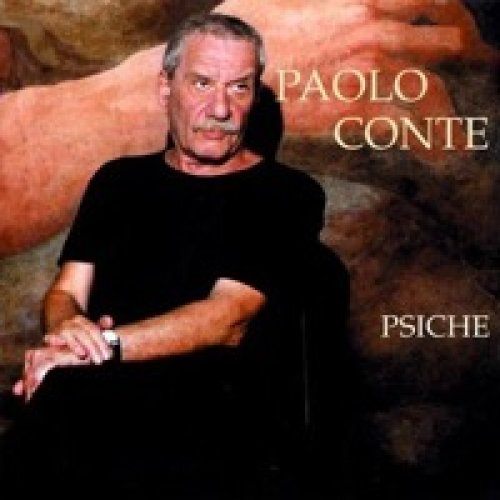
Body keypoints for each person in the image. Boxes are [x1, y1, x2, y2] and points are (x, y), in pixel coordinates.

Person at [0, 13, 328, 498]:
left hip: (211, 425)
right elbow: (67, 292)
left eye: (239, 88)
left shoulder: (286, 194)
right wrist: (68, 331)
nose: (221, 108)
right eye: (202, 83)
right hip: (95, 401)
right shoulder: (117, 182)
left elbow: (227, 319)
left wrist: (97, 350)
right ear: (165, 88)